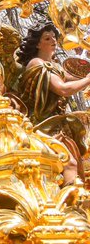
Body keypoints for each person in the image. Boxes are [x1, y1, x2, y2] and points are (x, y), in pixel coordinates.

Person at [17, 23, 90, 183]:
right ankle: (72, 204)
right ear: (37, 43)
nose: (53, 41)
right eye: (47, 38)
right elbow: (64, 88)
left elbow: (76, 79)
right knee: (68, 163)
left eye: (55, 38)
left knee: (76, 166)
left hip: (59, 127)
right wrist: (87, 79)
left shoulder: (56, 67)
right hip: (43, 126)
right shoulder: (36, 63)